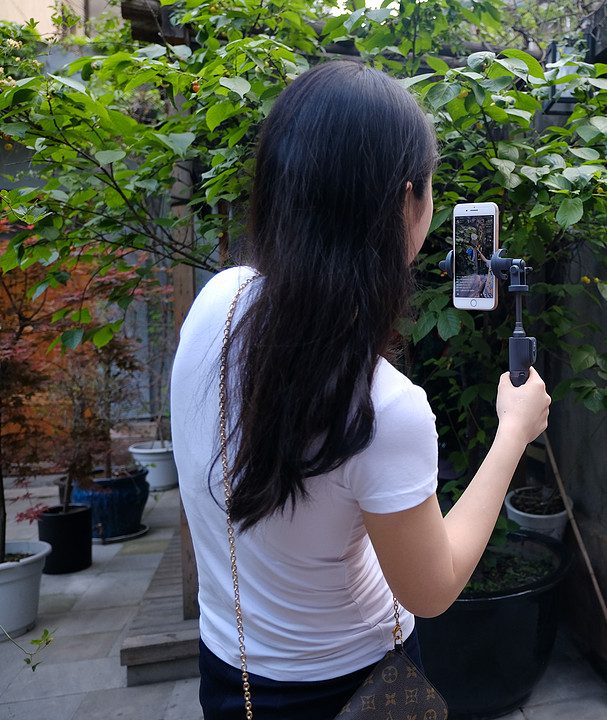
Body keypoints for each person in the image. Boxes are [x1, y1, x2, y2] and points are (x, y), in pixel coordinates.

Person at [170, 61, 550, 720]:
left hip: (231, 676)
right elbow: (430, 590)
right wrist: (513, 433)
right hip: (351, 688)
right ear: (407, 201)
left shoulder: (218, 302)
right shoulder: (384, 407)